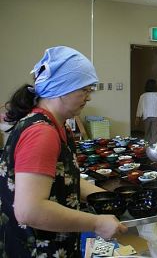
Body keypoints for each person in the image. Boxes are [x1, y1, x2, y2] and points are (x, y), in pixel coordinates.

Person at [0, 46, 127, 257]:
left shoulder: (57, 125)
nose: (89, 97)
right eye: (84, 90)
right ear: (62, 88)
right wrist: (96, 223)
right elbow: (29, 210)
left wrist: (106, 197)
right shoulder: (42, 133)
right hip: (35, 248)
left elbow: (66, 179)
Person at [135, 79, 157, 144]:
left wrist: (138, 117)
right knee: (155, 134)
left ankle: (146, 147)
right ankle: (153, 149)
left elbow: (140, 107)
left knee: (147, 133)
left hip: (146, 117)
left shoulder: (143, 96)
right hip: (156, 116)